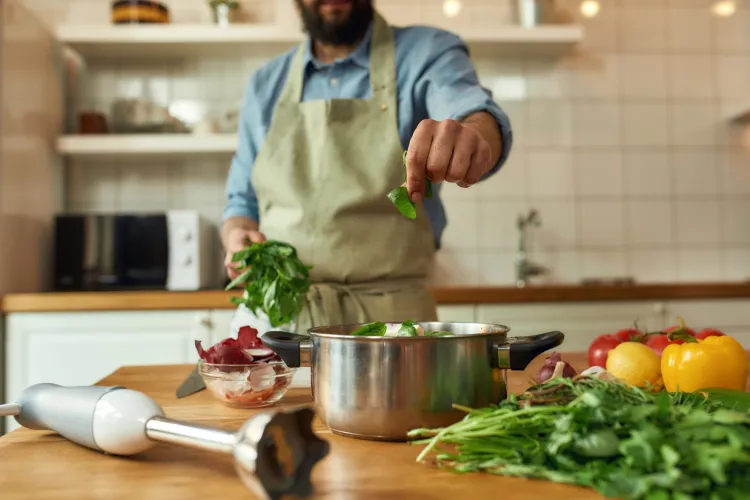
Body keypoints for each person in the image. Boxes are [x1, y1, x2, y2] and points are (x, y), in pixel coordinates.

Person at [221, 0, 513, 332]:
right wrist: (237, 235)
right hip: (278, 322)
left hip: (396, 327)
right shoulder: (265, 84)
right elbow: (241, 204)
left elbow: (473, 111)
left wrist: (474, 135)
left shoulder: (428, 53)